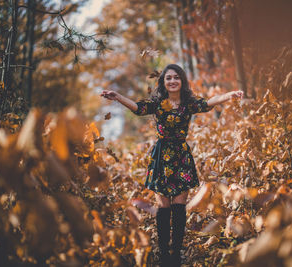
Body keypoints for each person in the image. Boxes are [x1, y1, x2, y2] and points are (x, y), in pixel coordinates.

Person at [101, 64, 243, 267]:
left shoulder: (188, 104)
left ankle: (175, 253)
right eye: (168, 78)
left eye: (176, 77)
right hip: (161, 157)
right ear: (164, 82)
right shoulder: (158, 104)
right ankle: (164, 253)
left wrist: (229, 94)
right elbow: (138, 108)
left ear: (182, 81)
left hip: (181, 157)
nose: (172, 81)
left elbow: (208, 103)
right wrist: (118, 97)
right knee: (163, 206)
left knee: (179, 206)